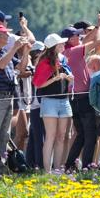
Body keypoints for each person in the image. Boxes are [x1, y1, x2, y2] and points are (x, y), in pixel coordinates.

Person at [61, 13, 100, 172]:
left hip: (74, 98)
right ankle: (87, 166)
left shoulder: (67, 52)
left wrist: (97, 26)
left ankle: (68, 165)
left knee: (81, 135)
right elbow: (98, 42)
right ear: (69, 40)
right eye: (76, 36)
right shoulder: (74, 52)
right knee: (91, 135)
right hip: (83, 97)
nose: (79, 37)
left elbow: (88, 40)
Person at [33, 33, 74, 173]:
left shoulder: (61, 60)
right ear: (54, 46)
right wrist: (55, 79)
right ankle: (47, 170)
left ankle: (57, 169)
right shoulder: (44, 62)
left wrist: (68, 79)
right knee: (51, 136)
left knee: (61, 136)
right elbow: (38, 84)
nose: (64, 45)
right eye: (61, 44)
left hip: (64, 100)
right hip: (49, 101)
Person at [0, 24, 30, 174]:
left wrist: (25, 52)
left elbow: (21, 69)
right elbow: (1, 64)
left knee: (4, 135)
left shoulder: (6, 51)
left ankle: (1, 168)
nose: (8, 37)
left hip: (9, 97)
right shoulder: (6, 53)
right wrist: (14, 48)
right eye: (5, 35)